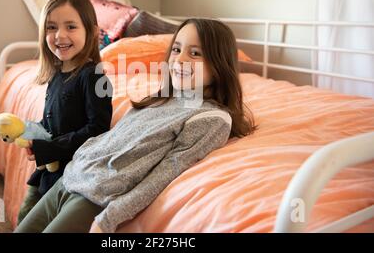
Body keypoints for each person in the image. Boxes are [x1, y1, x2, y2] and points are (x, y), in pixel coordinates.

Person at [15, 18, 256, 233]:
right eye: (176, 49)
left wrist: (110, 218)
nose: (179, 59)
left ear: (219, 64)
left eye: (195, 54)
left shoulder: (211, 119)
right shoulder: (160, 99)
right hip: (70, 178)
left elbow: (165, 173)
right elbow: (112, 137)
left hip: (94, 197)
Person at [16, 0, 113, 224]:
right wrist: (27, 132)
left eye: (71, 27)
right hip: (47, 170)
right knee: (24, 216)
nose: (60, 35)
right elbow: (50, 123)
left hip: (72, 172)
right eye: (51, 27)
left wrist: (49, 148)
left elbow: (98, 131)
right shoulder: (57, 75)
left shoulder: (94, 76)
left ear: (90, 32)